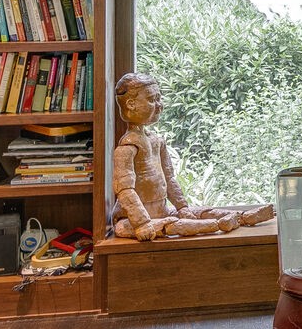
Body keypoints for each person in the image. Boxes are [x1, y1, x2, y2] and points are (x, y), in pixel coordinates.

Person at [110, 72, 275, 240]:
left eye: (159, 98)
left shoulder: (156, 141)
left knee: (202, 212)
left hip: (162, 211)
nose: (159, 105)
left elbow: (169, 178)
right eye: (152, 100)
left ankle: (243, 216)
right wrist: (141, 223)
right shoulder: (127, 147)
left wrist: (182, 208)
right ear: (131, 104)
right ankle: (218, 225)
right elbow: (125, 190)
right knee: (173, 225)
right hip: (132, 221)